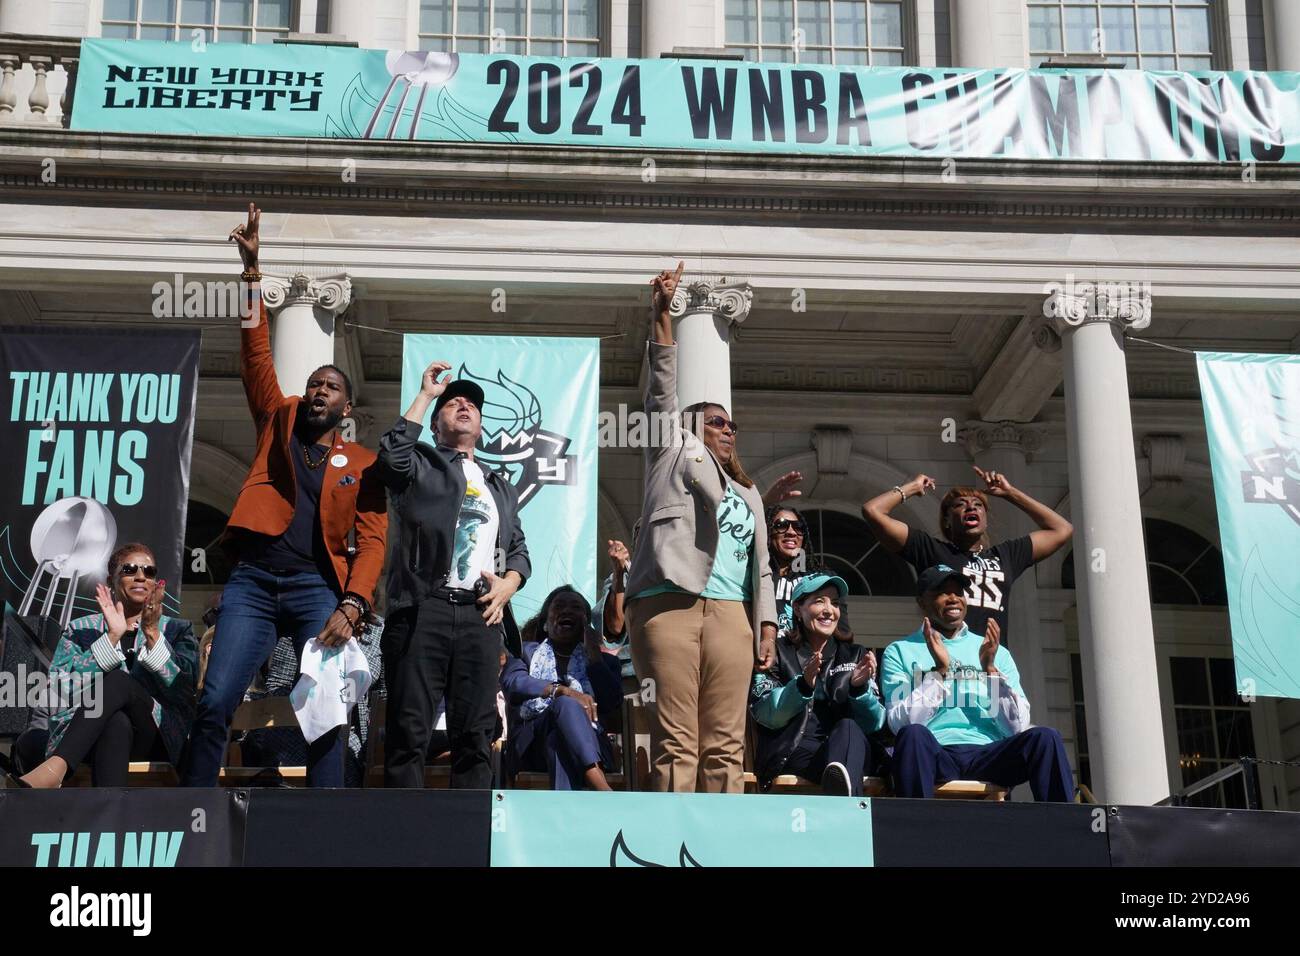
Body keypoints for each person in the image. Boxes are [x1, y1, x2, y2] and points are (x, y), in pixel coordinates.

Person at [183, 203, 389, 789]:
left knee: (325, 713)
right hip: (252, 582)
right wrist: (252, 276)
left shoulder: (363, 465)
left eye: (331, 387)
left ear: (346, 409)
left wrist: (352, 605)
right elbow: (255, 359)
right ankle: (188, 815)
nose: (318, 389)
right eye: (314, 383)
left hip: (315, 589)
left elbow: (372, 546)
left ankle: (326, 825)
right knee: (217, 697)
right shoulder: (277, 421)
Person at [624, 262, 777, 794]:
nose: (728, 429)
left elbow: (761, 564)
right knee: (676, 740)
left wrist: (767, 626)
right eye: (716, 421)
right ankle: (673, 845)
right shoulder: (672, 450)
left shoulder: (750, 493)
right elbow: (662, 390)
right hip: (671, 606)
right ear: (690, 428)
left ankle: (719, 846)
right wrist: (663, 315)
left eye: (732, 424)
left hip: (732, 616)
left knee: (727, 744)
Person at [377, 358, 530, 789]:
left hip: (482, 615)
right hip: (424, 609)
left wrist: (510, 584)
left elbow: (518, 549)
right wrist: (425, 395)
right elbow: (390, 457)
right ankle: (404, 844)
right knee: (409, 732)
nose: (463, 404)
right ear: (438, 423)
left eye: (472, 405)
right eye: (452, 402)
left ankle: (469, 843)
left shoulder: (499, 484)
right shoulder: (421, 465)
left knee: (477, 736)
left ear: (480, 426)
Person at [10, 544, 198, 789]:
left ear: (156, 582)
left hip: (156, 737)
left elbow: (184, 692)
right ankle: (109, 816)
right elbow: (59, 693)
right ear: (112, 579)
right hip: (86, 737)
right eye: (130, 569)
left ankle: (56, 768)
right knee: (115, 722)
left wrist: (152, 634)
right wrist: (111, 638)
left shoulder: (177, 630)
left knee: (118, 681)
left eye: (149, 571)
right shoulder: (81, 629)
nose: (140, 576)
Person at [881, 565, 1073, 801]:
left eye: (959, 592)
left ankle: (1064, 830)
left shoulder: (995, 651)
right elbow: (899, 724)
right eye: (943, 592)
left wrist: (991, 672)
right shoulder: (900, 651)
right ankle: (915, 830)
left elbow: (1017, 725)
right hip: (935, 753)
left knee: (1045, 737)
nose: (954, 598)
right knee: (912, 735)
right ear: (922, 602)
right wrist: (939, 673)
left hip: (988, 755)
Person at [861, 466, 1072, 643]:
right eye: (960, 505)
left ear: (985, 519)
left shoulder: (1005, 556)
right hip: (948, 664)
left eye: (979, 505)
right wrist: (912, 488)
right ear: (946, 520)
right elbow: (873, 511)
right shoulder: (932, 550)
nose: (971, 506)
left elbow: (1062, 529)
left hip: (993, 666)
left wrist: (1010, 493)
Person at [750, 573, 884, 796]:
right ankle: (847, 810)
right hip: (796, 752)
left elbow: (875, 723)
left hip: (850, 751)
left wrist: (859, 690)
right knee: (845, 745)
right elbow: (766, 714)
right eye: (819, 600)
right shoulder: (778, 653)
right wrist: (802, 686)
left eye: (835, 603)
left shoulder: (855, 654)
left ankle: (841, 792)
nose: (829, 610)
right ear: (797, 608)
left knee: (848, 729)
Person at [502, 586, 622, 790]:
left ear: (586, 624)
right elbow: (513, 682)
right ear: (546, 624)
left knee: (557, 742)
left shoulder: (605, 663)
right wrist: (560, 690)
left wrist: (594, 656)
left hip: (589, 744)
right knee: (565, 702)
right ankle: (600, 785)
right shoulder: (525, 653)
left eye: (575, 607)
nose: (566, 611)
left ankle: (567, 815)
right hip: (532, 748)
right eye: (559, 607)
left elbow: (611, 702)